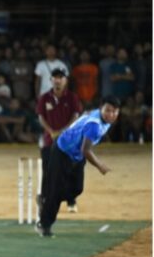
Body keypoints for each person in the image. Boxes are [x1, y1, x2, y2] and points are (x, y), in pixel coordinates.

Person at [37, 97, 120, 237]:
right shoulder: (95, 125)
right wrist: (100, 166)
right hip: (62, 151)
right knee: (55, 191)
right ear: (101, 109)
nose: (110, 114)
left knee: (77, 189)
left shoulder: (101, 118)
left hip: (76, 154)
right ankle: (44, 225)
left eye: (114, 111)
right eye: (107, 110)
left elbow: (86, 115)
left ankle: (48, 200)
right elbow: (86, 150)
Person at [35, 67, 83, 212]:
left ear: (66, 80)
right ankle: (45, 198)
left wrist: (62, 131)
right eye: (55, 77)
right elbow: (41, 117)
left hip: (69, 141)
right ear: (51, 80)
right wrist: (51, 131)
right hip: (50, 140)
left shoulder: (72, 97)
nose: (58, 80)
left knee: (68, 170)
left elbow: (76, 116)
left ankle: (70, 199)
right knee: (48, 170)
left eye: (61, 77)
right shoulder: (44, 98)